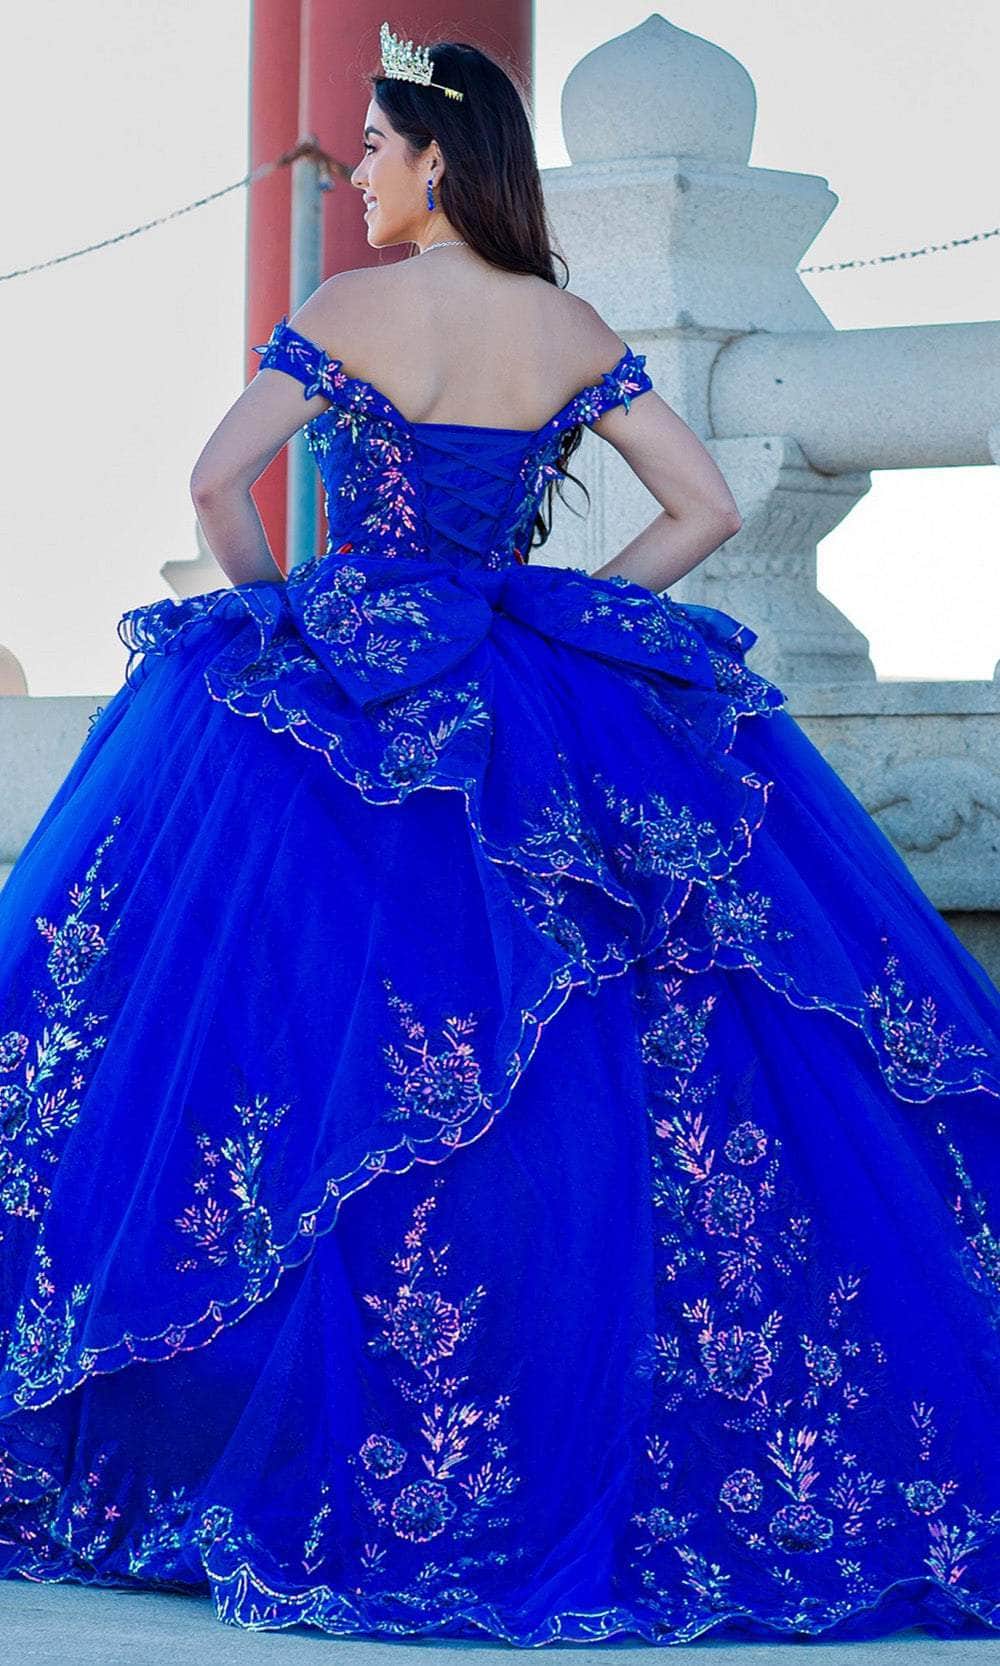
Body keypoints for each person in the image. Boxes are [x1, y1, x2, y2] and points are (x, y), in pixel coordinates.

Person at [2, 20, 1000, 1650]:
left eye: (377, 149)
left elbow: (215, 484)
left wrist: (283, 620)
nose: (359, 175)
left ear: (438, 159)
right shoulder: (567, 326)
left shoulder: (350, 312)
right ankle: (533, 1431)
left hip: (349, 695)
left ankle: (297, 1424)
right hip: (520, 688)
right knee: (555, 1066)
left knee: (295, 1050)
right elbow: (707, 506)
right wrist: (566, 626)